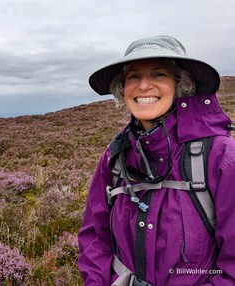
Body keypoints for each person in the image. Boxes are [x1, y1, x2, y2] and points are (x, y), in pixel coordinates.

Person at [78, 35, 235, 286]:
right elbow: (94, 238)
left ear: (180, 84)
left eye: (159, 74)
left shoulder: (221, 156)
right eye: (133, 77)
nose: (143, 86)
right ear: (123, 89)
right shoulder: (115, 156)